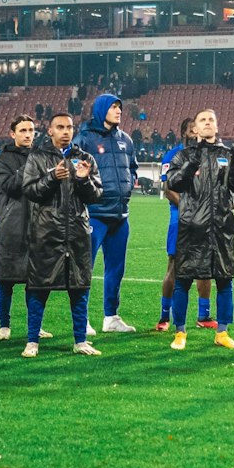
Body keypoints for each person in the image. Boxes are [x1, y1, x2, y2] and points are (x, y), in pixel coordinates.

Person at [19, 112, 103, 357]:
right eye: (60, 127)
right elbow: (30, 190)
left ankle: (81, 341)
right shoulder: (37, 157)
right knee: (38, 288)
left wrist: (83, 180)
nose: (66, 131)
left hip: (77, 232)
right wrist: (51, 178)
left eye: (69, 127)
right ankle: (32, 341)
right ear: (50, 131)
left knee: (79, 287)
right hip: (46, 232)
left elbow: (96, 195)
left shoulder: (84, 158)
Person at [165, 109, 234, 349]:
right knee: (183, 280)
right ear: (196, 129)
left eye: (211, 119)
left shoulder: (228, 155)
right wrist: (192, 165)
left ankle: (222, 332)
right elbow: (173, 183)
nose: (208, 123)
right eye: (203, 120)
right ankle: (180, 332)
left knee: (224, 280)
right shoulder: (183, 156)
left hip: (222, 227)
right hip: (192, 228)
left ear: (216, 125)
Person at [81, 93, 140, 335]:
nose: (118, 111)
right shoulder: (84, 139)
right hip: (94, 213)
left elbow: (133, 168)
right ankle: (81, 318)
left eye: (120, 107)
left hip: (120, 214)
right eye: (114, 107)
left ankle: (111, 317)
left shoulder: (126, 139)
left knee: (116, 268)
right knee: (85, 268)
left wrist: (129, 184)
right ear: (101, 109)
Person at [155, 117, 214, 332]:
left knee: (205, 265)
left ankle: (204, 315)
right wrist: (189, 207)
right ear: (183, 132)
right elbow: (168, 188)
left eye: (196, 130)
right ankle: (164, 316)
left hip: (204, 219)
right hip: (179, 218)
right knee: (174, 265)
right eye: (191, 130)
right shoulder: (173, 156)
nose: (194, 134)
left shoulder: (206, 156)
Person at [0, 114, 44, 342]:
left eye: (31, 130)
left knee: (36, 281)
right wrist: (31, 166)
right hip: (11, 225)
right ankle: (4, 325)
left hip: (39, 226)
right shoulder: (1, 160)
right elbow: (11, 186)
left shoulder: (40, 157)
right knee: (6, 279)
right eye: (23, 130)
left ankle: (35, 326)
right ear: (12, 134)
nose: (28, 134)